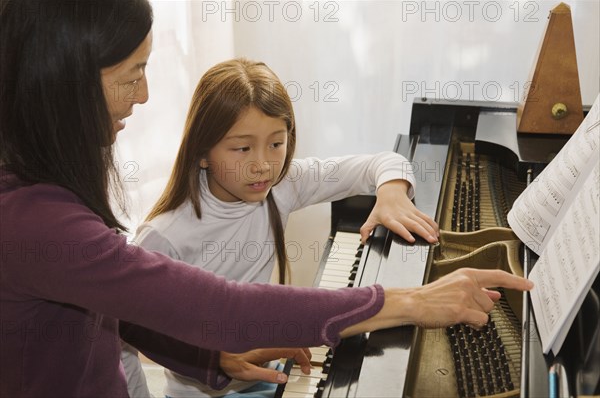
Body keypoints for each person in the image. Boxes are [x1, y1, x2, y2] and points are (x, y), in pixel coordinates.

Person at [0, 0, 533, 397]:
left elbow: (128, 311)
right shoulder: (30, 220)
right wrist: (411, 302)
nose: (144, 95)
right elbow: (219, 307)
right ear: (62, 82)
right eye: (132, 74)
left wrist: (214, 359)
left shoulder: (39, 176)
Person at [124, 57, 439, 398]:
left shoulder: (283, 185)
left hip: (265, 373)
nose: (262, 166)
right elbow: (132, 330)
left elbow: (384, 162)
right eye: (243, 148)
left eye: (276, 143)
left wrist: (392, 192)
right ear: (202, 152)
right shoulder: (164, 235)